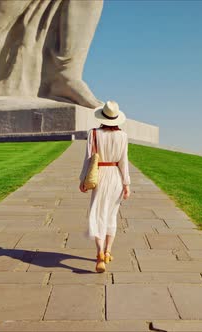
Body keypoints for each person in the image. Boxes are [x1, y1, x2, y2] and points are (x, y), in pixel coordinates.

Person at [79, 101, 131, 273]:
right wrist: (126, 184)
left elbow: (89, 158)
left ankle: (99, 253)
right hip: (115, 175)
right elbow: (124, 162)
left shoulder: (93, 133)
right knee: (112, 215)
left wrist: (83, 179)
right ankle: (108, 252)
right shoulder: (123, 136)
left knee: (98, 214)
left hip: (99, 175)